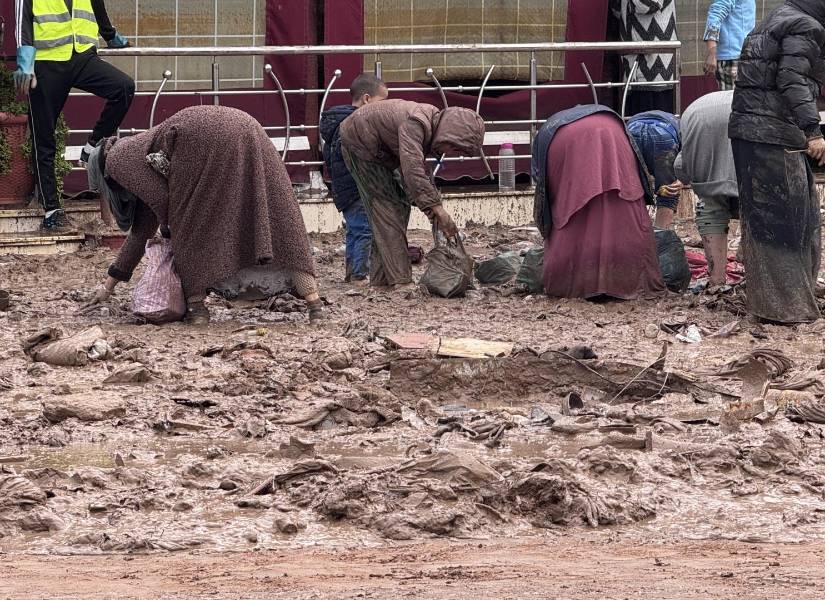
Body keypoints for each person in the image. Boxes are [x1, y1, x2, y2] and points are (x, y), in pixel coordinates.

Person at [82, 106, 322, 324]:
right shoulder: (138, 149)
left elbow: (163, 203)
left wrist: (170, 235)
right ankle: (314, 303)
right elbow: (142, 228)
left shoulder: (115, 159)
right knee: (276, 214)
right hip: (248, 125)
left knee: (188, 225)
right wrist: (109, 285)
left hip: (201, 136)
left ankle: (197, 308)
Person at [729, 0, 825, 324]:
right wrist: (813, 130)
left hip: (753, 131)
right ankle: (787, 311)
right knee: (789, 223)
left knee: (788, 219)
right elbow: (791, 80)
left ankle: (791, 300)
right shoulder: (806, 27)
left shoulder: (777, 18)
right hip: (772, 134)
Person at [13, 0, 135, 231]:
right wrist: (25, 62)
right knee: (44, 138)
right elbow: (22, 23)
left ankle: (90, 148)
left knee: (123, 87)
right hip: (47, 64)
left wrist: (110, 36)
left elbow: (97, 6)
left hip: (82, 58)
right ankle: (52, 210)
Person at [340, 99, 485, 288]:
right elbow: (412, 170)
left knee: (393, 210)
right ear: (449, 134)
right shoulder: (417, 123)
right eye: (455, 147)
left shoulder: (429, 121)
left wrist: (431, 208)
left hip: (376, 149)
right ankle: (400, 281)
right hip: (362, 145)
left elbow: (413, 174)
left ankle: (382, 280)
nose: (450, 152)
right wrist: (438, 210)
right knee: (389, 210)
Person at [533, 105, 665, 300]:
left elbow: (545, 192)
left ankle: (572, 284)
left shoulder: (548, 129)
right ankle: (627, 280)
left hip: (562, 140)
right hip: (613, 133)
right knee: (623, 208)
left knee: (569, 207)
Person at [320, 74, 388, 286]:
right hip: (356, 187)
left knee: (355, 230)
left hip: (343, 188)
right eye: (382, 102)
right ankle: (359, 275)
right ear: (367, 99)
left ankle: (352, 273)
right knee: (365, 230)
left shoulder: (337, 123)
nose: (384, 108)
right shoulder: (355, 125)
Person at [674, 91, 738, 287]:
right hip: (742, 115)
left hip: (697, 113)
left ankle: (717, 279)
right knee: (756, 205)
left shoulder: (689, 112)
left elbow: (681, 167)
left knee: (710, 204)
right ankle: (755, 276)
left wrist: (692, 178)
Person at [610, 0, 678, 115]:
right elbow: (617, 10)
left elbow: (648, 5)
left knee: (655, 125)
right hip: (637, 69)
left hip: (656, 71)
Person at [626, 110, 682, 229]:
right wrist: (682, 178)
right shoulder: (683, 125)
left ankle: (634, 234)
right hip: (664, 133)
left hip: (632, 130)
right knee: (669, 190)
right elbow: (688, 156)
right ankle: (660, 237)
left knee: (631, 188)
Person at [703, 0, 757, 90]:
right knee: (731, 102)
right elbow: (716, 13)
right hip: (733, 58)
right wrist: (712, 51)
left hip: (742, 56)